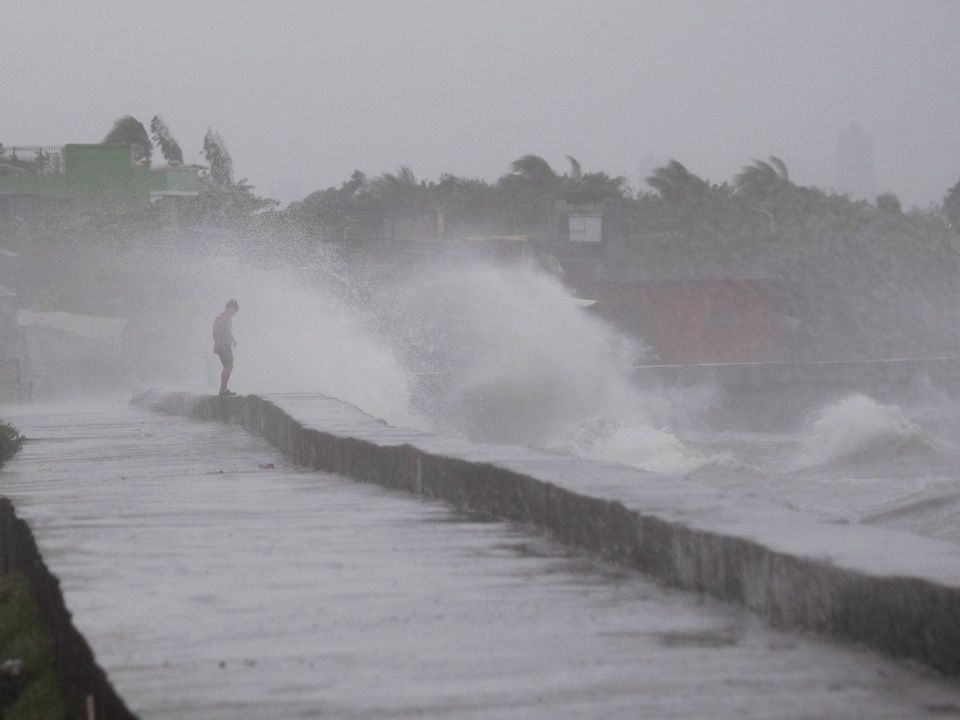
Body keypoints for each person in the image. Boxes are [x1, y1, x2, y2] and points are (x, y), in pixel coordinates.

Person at [212, 299, 239, 396]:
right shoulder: (223, 317)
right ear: (230, 308)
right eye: (234, 311)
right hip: (223, 345)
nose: (234, 314)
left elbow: (227, 331)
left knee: (227, 365)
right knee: (229, 365)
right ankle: (223, 389)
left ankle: (223, 388)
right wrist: (223, 340)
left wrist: (233, 339)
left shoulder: (225, 317)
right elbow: (217, 331)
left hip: (222, 344)